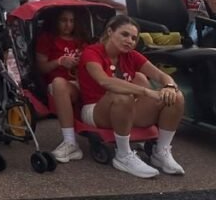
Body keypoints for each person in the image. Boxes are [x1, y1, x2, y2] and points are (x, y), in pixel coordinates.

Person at [77, 15, 185, 178]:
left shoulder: (131, 55)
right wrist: (146, 92)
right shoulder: (92, 52)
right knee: (121, 94)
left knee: (176, 97)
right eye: (124, 34)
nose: (130, 41)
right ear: (110, 31)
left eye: (134, 38)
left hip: (124, 108)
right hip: (95, 110)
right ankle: (123, 155)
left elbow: (162, 76)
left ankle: (160, 151)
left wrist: (169, 87)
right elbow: (104, 81)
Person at [35, 9, 87, 163]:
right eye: (63, 20)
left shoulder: (81, 40)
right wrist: (59, 62)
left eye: (71, 21)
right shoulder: (47, 39)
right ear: (55, 22)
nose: (68, 25)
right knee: (59, 83)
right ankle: (70, 141)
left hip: (81, 80)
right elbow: (41, 68)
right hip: (59, 84)